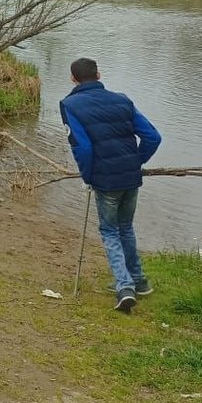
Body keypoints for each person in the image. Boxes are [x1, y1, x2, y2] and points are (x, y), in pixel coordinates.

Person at [59, 57, 161, 314]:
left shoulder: (70, 104)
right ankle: (139, 281)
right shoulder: (122, 99)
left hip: (106, 180)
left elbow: (83, 147)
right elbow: (152, 137)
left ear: (73, 79)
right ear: (99, 75)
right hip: (130, 177)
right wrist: (135, 161)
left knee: (110, 231)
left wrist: (87, 177)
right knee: (125, 227)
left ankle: (125, 287)